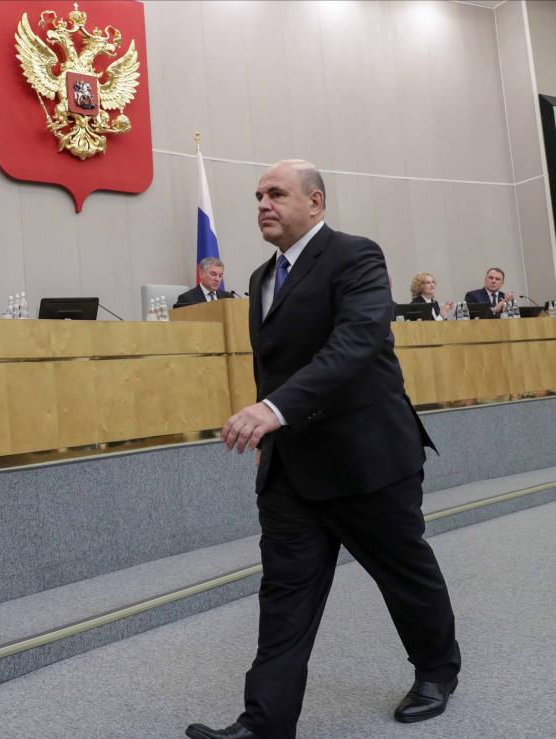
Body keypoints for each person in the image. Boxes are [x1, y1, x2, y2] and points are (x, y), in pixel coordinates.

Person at [185, 160, 461, 739]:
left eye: (277, 193)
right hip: (291, 471)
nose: (262, 203)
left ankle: (436, 670)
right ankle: (266, 722)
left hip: (367, 460)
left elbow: (356, 345)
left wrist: (273, 411)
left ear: (315, 202)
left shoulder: (356, 256)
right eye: (258, 194)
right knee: (284, 597)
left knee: (404, 575)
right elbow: (273, 369)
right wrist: (271, 431)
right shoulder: (261, 278)